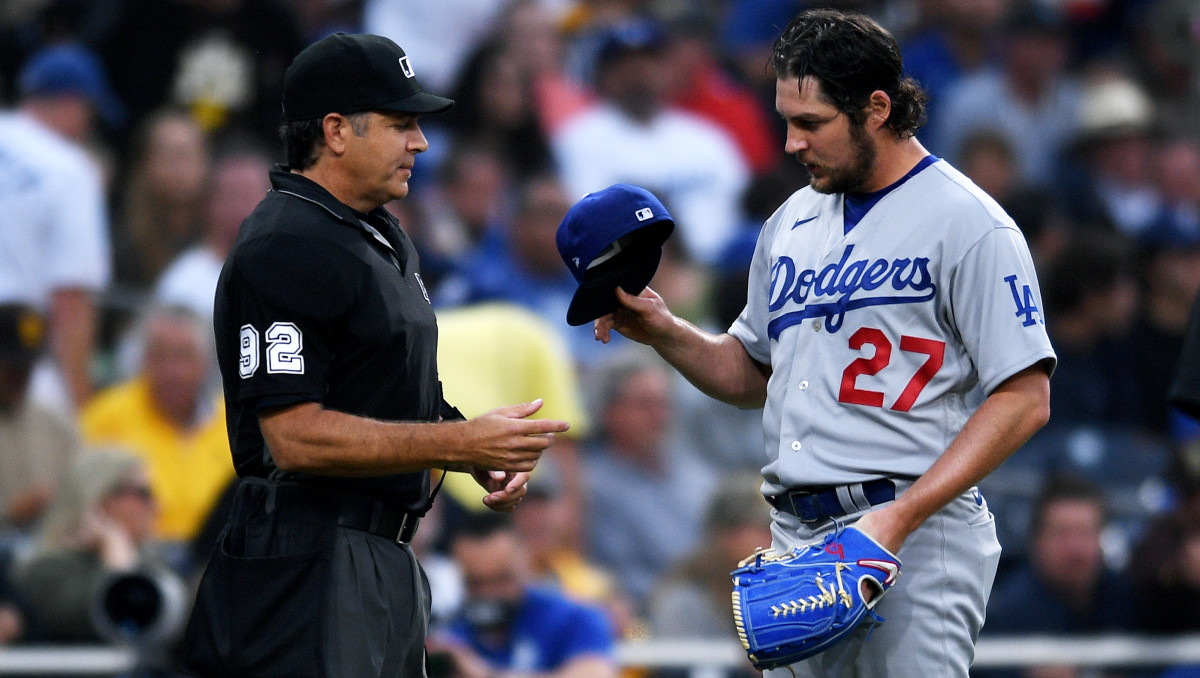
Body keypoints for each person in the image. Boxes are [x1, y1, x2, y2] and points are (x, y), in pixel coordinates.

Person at [586, 9, 1055, 678]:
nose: (790, 143)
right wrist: (668, 333)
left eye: (810, 124)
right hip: (798, 538)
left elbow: (1026, 397)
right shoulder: (791, 222)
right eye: (785, 120)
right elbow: (753, 375)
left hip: (916, 533)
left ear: (876, 108)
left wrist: (901, 517)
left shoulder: (970, 223)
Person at [179, 33, 569, 678]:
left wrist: (474, 447)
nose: (420, 143)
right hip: (308, 561)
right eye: (401, 124)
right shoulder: (286, 243)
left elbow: (382, 392)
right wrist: (461, 443)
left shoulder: (378, 233)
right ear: (335, 130)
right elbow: (294, 436)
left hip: (381, 555)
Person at [0, 44, 115, 414]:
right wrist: (82, 413)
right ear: (73, 104)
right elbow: (70, 303)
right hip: (15, 370)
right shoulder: (70, 170)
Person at [79, 306, 231, 555]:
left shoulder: (231, 422)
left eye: (183, 356)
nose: (172, 370)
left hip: (217, 556)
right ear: (142, 360)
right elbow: (82, 499)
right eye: (159, 356)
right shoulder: (106, 417)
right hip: (133, 552)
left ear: (206, 362)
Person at [8, 448, 172, 643]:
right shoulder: (45, 570)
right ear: (98, 497)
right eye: (144, 493)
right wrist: (115, 551)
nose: (156, 505)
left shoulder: (150, 561)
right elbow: (117, 623)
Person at [428, 511, 618, 678]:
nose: (489, 593)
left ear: (525, 562)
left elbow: (595, 673)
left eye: (501, 579)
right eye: (475, 583)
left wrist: (486, 674)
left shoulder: (575, 618)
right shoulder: (447, 631)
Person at [981, 476, 1136, 678]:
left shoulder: (1127, 602)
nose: (1075, 550)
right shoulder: (1001, 615)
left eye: (1085, 533)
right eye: (1061, 534)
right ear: (1035, 541)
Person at [0, 303, 81, 534]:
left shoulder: (57, 426)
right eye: (12, 366)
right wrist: (11, 515)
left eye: (27, 366)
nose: (21, 376)